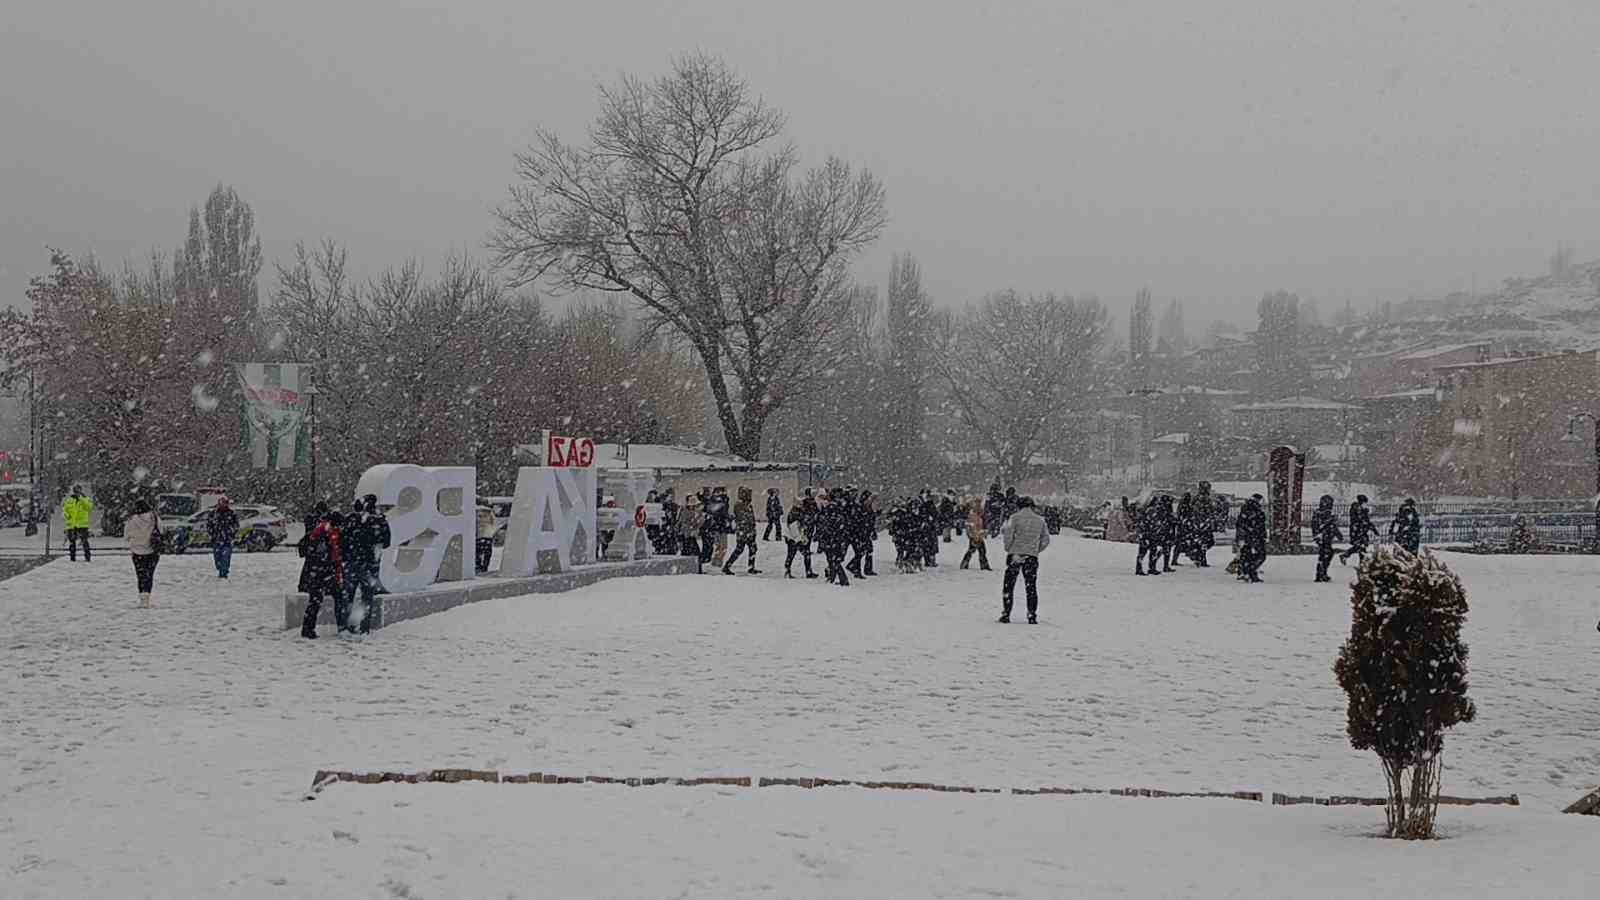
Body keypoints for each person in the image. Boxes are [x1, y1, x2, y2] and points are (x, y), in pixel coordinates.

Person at [343, 494, 391, 636]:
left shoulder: (351, 519)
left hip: (352, 562)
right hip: (370, 564)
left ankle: (346, 625)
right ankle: (364, 627)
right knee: (367, 597)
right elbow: (386, 542)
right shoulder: (379, 520)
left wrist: (349, 553)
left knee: (348, 595)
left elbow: (343, 539)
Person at [998, 497, 1050, 624]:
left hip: (1015, 554)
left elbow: (1008, 536)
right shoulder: (1040, 520)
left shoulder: (1014, 518)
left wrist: (1009, 548)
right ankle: (1032, 614)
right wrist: (1036, 550)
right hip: (1031, 556)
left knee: (1009, 585)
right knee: (1031, 586)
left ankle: (1006, 613)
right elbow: (1046, 539)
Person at [297, 506, 345, 639]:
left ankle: (307, 629)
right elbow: (333, 555)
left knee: (315, 601)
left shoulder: (319, 530)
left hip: (317, 572)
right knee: (337, 598)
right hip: (324, 572)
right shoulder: (328, 533)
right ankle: (342, 626)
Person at [124, 498, 163, 608]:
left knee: (140, 575)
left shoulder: (131, 520)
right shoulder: (154, 517)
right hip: (152, 551)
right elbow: (161, 530)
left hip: (137, 551)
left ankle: (142, 599)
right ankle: (147, 598)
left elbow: (126, 536)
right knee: (149, 575)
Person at [815, 491, 851, 586]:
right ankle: (832, 577)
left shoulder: (830, 509)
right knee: (833, 559)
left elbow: (827, 524)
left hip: (831, 538)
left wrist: (823, 534)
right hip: (836, 538)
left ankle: (843, 580)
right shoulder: (837, 508)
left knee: (833, 560)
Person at [723, 486, 761, 575]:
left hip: (749, 531)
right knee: (739, 549)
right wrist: (747, 529)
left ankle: (751, 567)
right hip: (743, 532)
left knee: (753, 549)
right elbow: (742, 518)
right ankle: (727, 566)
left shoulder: (748, 505)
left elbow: (751, 517)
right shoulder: (739, 505)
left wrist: (753, 527)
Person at [1235, 494, 1268, 583]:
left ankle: (1245, 572)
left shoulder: (1248, 509)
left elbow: (1241, 523)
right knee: (1259, 556)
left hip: (1250, 536)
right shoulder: (1253, 510)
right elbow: (1255, 524)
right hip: (1253, 536)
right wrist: (1255, 533)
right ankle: (1250, 572)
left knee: (1247, 555)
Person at [1310, 494, 1343, 583]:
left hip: (1326, 536)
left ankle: (1322, 573)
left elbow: (1331, 526)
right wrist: (1317, 535)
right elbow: (1319, 525)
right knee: (1325, 554)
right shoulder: (1320, 513)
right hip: (1323, 537)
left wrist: (1337, 534)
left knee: (1326, 554)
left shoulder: (1324, 513)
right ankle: (1321, 574)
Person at [206, 496, 240, 578]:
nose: (223, 505)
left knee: (226, 557)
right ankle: (220, 568)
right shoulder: (213, 514)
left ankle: (224, 572)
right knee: (217, 558)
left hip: (227, 540)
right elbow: (209, 525)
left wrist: (231, 532)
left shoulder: (231, 514)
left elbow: (236, 525)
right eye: (221, 503)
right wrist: (212, 534)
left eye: (224, 503)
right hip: (216, 539)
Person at [783, 499, 817, 579]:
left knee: (792, 554)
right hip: (796, 537)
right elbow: (796, 526)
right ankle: (807, 572)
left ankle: (788, 571)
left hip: (797, 537)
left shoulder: (800, 512)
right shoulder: (797, 513)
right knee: (801, 554)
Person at [848, 489, 878, 577]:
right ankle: (856, 568)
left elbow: (871, 521)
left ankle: (865, 569)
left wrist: (872, 531)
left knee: (868, 550)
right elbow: (857, 521)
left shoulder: (869, 508)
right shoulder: (860, 507)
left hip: (866, 532)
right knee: (860, 551)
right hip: (860, 533)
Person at [63, 485, 94, 562]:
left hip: (82, 524)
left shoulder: (86, 499)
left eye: (78, 491)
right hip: (72, 524)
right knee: (72, 542)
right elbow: (65, 510)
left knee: (84, 541)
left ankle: (87, 557)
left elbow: (89, 507)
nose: (77, 493)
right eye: (75, 491)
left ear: (81, 491)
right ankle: (72, 558)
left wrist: (81, 499)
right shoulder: (69, 500)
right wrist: (67, 515)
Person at [1339, 495, 1373, 565]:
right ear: (1361, 502)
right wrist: (1364, 515)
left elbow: (1367, 521)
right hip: (1357, 531)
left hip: (1361, 531)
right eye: (1365, 503)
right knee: (1360, 546)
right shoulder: (1357, 510)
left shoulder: (1362, 510)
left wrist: (1373, 529)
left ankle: (1361, 562)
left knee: (1362, 546)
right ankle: (1348, 556)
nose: (1366, 504)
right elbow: (1360, 521)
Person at [961, 496, 992, 570]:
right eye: (977, 502)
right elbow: (970, 526)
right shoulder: (973, 514)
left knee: (976, 550)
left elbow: (983, 524)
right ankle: (983, 565)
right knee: (979, 550)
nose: (979, 504)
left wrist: (983, 532)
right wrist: (974, 535)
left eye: (979, 502)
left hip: (978, 535)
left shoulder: (981, 512)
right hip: (975, 535)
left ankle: (965, 564)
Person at [677, 494, 704, 569]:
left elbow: (698, 523)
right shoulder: (685, 512)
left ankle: (695, 568)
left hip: (690, 535)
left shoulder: (695, 512)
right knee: (690, 553)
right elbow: (684, 524)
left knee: (693, 553)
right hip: (687, 536)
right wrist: (693, 524)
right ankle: (690, 568)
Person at [475, 503, 496, 574]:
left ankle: (482, 568)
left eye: (484, 516)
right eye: (480, 516)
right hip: (480, 537)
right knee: (479, 553)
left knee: (486, 553)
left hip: (485, 536)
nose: (482, 519)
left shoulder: (489, 515)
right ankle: (480, 567)